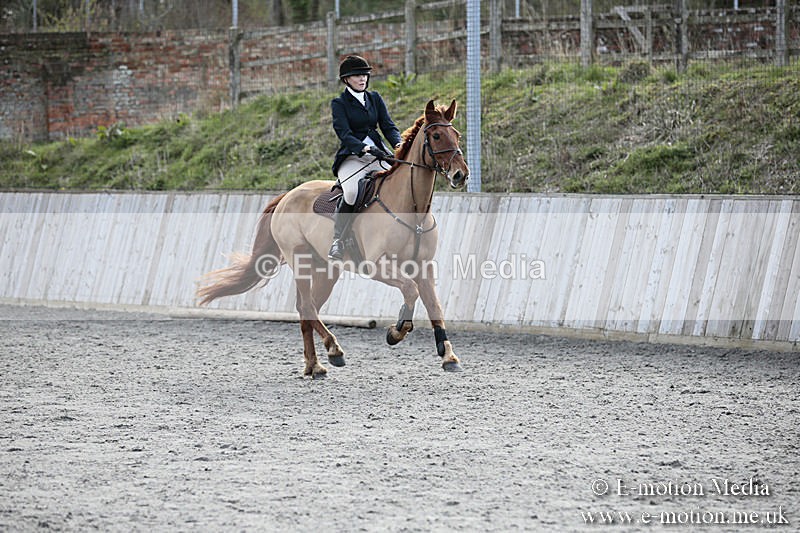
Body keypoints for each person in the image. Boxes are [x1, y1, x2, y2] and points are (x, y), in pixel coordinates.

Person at [328, 55, 403, 260]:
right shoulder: (339, 103)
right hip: (353, 157)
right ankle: (338, 241)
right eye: (357, 76)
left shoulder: (375, 98)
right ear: (346, 80)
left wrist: (397, 143)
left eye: (364, 75)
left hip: (379, 152)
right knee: (351, 192)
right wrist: (365, 149)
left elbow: (388, 126)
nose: (362, 79)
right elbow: (344, 134)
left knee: (399, 181)